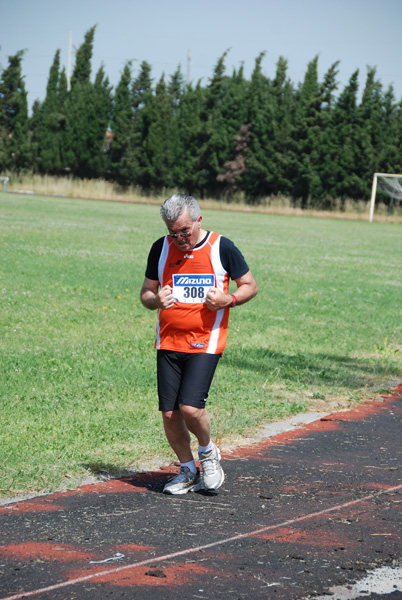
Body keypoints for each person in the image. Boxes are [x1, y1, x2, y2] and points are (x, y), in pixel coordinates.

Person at [140, 194, 258, 495]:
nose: (179, 238)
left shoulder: (222, 248)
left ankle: (207, 453)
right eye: (173, 232)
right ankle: (187, 469)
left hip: (206, 341)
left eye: (184, 231)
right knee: (169, 414)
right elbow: (146, 294)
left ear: (198, 221)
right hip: (168, 340)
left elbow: (250, 286)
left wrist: (227, 299)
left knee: (190, 407)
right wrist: (156, 301)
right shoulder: (160, 248)